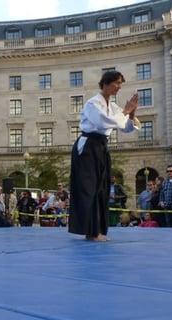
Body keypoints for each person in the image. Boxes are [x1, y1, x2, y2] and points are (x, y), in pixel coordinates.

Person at [69, 70, 139, 241]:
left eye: (120, 84)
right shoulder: (93, 103)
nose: (118, 87)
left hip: (101, 147)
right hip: (87, 148)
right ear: (105, 83)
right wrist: (124, 112)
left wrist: (131, 113)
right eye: (116, 83)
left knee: (102, 189)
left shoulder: (113, 107)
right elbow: (103, 121)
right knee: (89, 189)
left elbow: (127, 128)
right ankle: (90, 232)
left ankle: (98, 230)